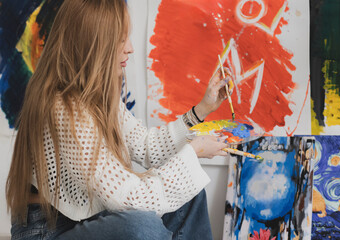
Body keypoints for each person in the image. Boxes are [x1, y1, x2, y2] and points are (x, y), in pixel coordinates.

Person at [6, 0, 233, 239]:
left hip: (85, 220)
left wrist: (203, 109)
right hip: (46, 231)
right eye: (121, 39)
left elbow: (148, 148)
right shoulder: (62, 109)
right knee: (143, 226)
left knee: (189, 191)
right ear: (93, 44)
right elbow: (131, 199)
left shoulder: (96, 99)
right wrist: (193, 152)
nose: (130, 48)